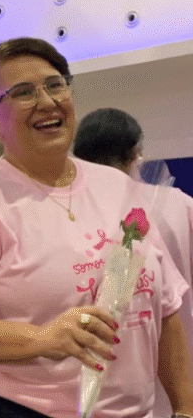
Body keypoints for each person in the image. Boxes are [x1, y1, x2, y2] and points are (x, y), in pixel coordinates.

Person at [0, 38, 193, 417]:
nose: (47, 101)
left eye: (55, 84)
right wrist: (42, 338)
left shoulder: (118, 188)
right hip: (16, 407)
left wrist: (184, 407)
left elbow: (165, 307)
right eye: (23, 92)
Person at [74, 107, 193, 417]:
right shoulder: (179, 204)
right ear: (136, 152)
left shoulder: (75, 214)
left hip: (107, 371)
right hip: (181, 357)